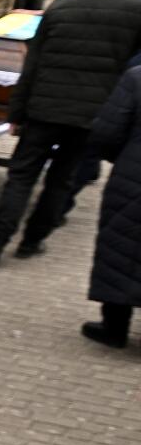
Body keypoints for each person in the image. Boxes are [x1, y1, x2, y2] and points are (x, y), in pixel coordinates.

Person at [0, 0, 141, 267]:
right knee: (61, 179)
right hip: (92, 112)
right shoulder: (136, 9)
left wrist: (17, 112)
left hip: (43, 108)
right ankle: (31, 241)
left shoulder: (62, 5)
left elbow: (32, 64)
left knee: (21, 176)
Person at [83, 62, 141, 345]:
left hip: (133, 177)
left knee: (122, 247)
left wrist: (123, 159)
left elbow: (106, 133)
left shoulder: (136, 77)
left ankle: (115, 327)